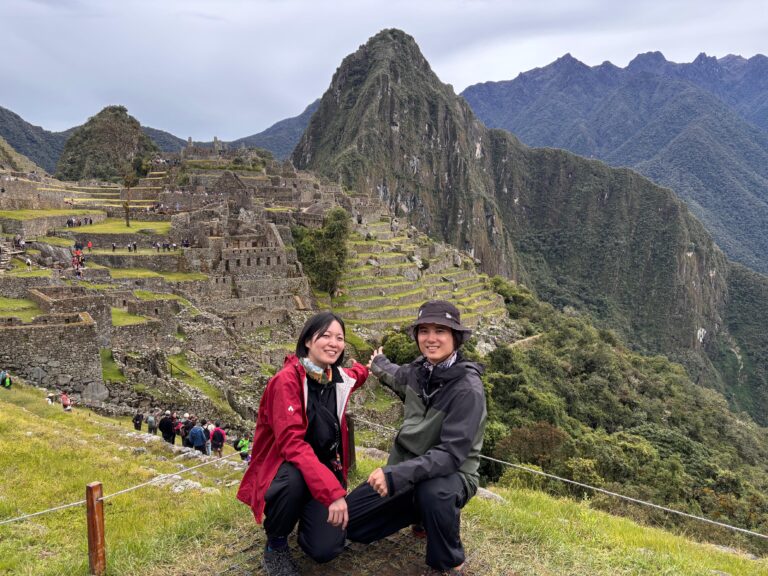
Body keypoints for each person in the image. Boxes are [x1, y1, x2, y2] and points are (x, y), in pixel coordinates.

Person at [346, 300, 487, 576]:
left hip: (452, 475)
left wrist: (395, 474)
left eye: (440, 331)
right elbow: (395, 374)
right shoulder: (419, 372)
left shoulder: (467, 389)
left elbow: (450, 455)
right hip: (408, 470)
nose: (431, 339)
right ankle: (420, 513)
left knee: (434, 492)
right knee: (351, 525)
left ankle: (448, 561)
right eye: (424, 331)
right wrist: (377, 362)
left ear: (455, 338)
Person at [236, 312, 369, 576]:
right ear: (308, 340)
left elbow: (358, 374)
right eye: (326, 336)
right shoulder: (286, 381)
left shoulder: (336, 378)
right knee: (295, 478)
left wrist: (368, 367)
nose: (334, 343)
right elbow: (292, 445)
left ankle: (305, 517)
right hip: (287, 470)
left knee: (325, 550)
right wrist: (333, 494)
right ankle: (275, 544)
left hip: (324, 472)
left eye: (339, 338)